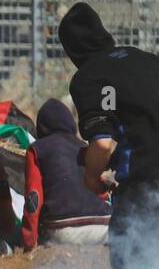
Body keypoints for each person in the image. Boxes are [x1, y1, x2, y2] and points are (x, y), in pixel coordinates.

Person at [58, 2, 159, 269]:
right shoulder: (142, 57)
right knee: (158, 265)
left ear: (71, 49)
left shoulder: (89, 77)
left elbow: (102, 141)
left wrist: (91, 178)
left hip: (143, 183)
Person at [32, 98, 112, 245]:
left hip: (64, 231)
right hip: (104, 227)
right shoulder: (85, 147)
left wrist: (28, 242)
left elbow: (33, 199)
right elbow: (102, 190)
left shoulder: (37, 149)